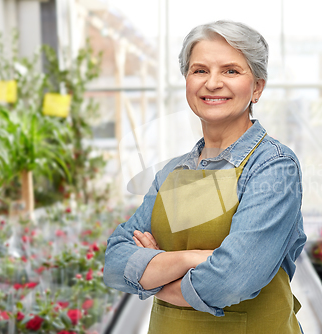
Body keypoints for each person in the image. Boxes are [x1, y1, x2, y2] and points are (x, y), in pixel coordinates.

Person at [104, 20, 307, 334]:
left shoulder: (272, 166)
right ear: (187, 80)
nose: (212, 83)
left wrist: (154, 275)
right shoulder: (171, 173)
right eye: (200, 70)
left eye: (231, 71)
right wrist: (191, 258)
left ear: (257, 87)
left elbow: (231, 280)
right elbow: (116, 262)